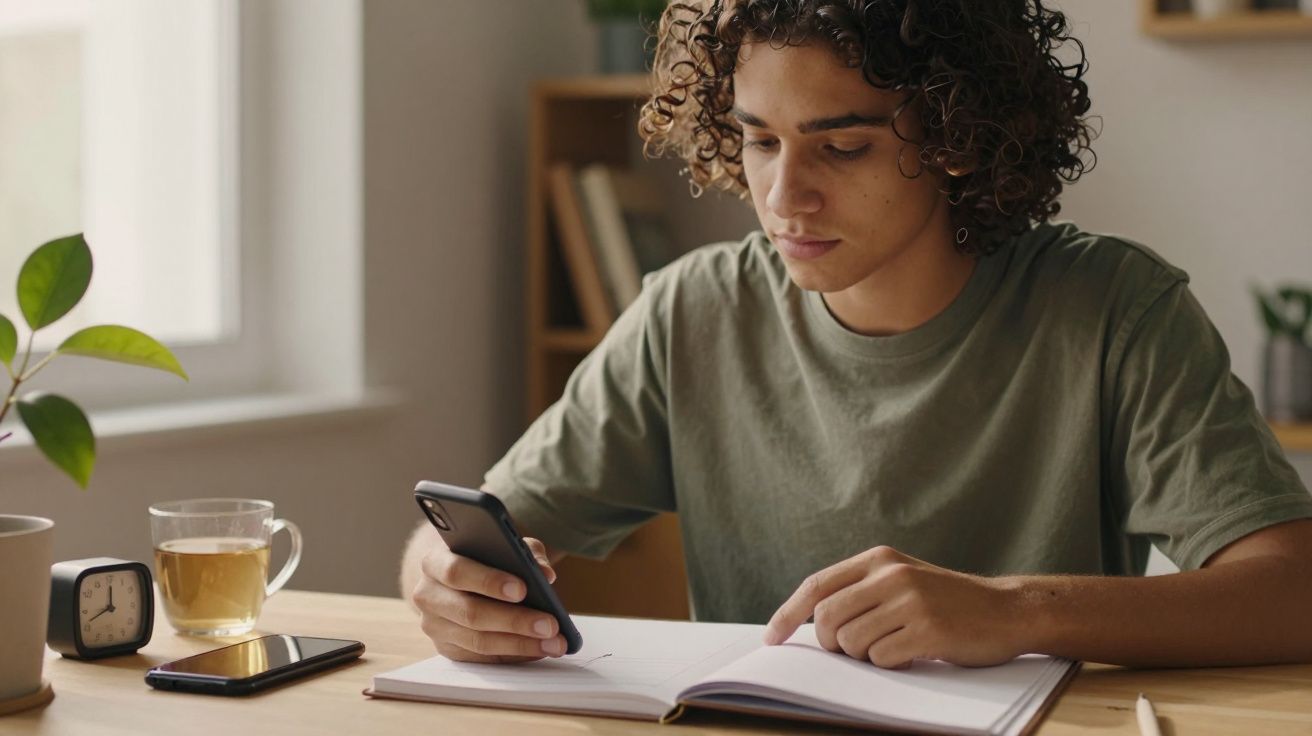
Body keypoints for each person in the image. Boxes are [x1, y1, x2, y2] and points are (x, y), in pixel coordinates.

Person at [400, 0, 1312, 669]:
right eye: (759, 140)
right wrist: (439, 580)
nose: (783, 196)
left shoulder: (1112, 308)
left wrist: (1014, 611)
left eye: (842, 147)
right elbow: (479, 529)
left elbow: (1293, 591)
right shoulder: (691, 313)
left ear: (957, 137)